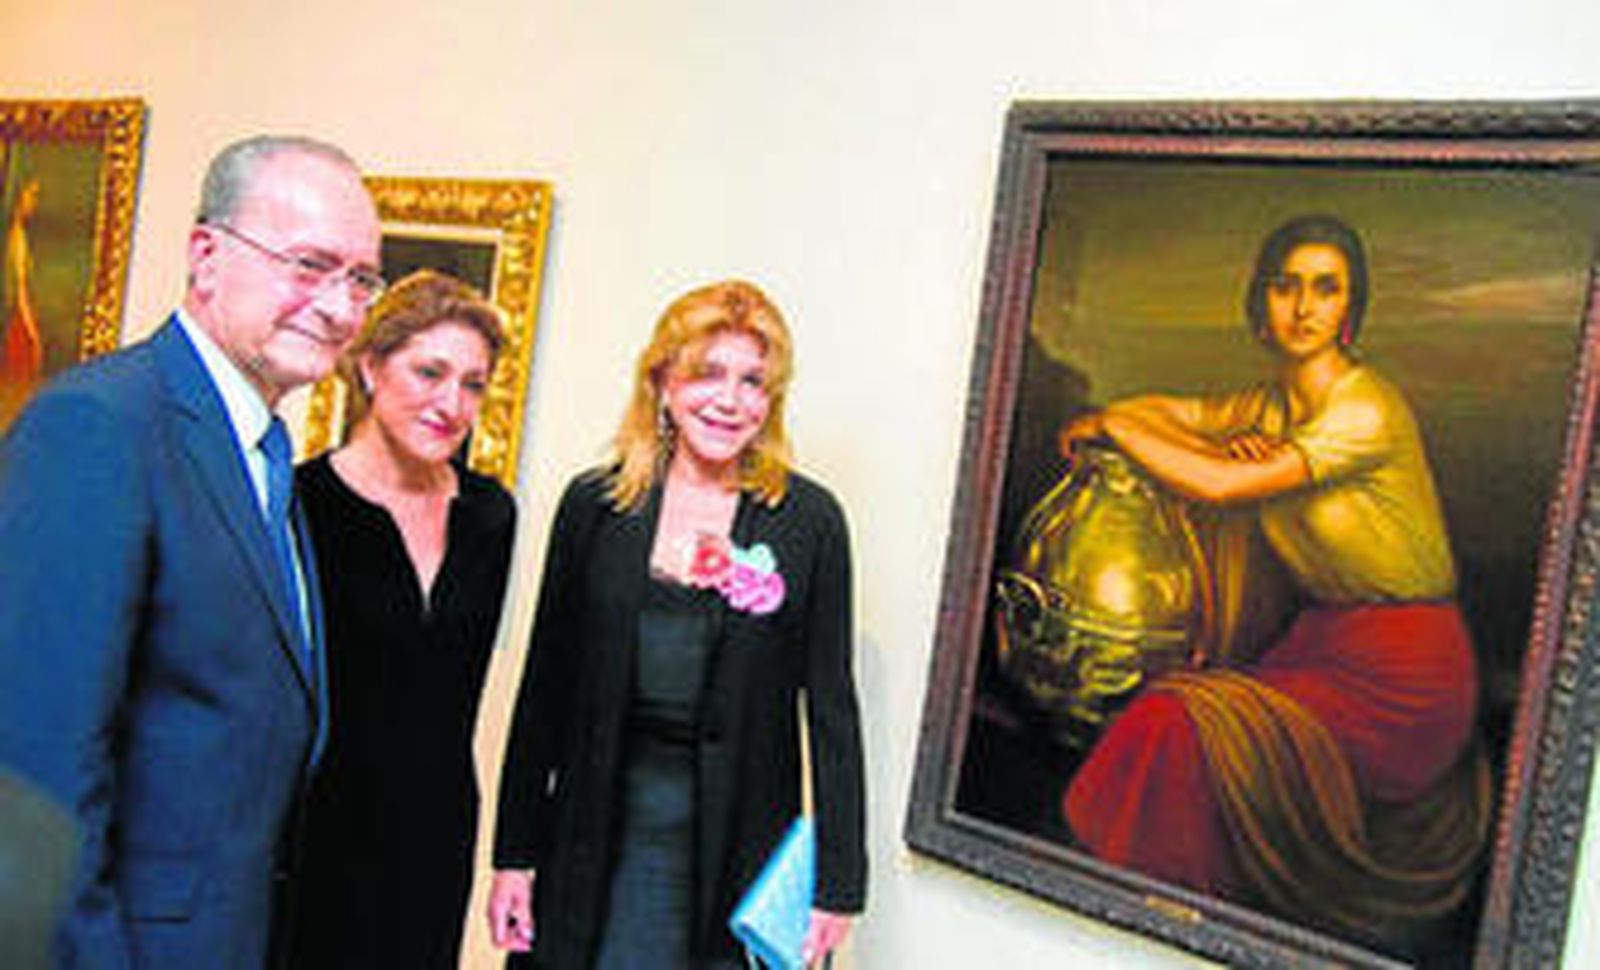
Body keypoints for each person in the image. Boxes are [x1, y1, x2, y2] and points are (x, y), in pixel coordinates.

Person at [0, 134, 382, 968]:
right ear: (206, 256)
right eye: (309, 265)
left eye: (360, 280)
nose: (340, 307)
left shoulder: (264, 453)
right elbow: (34, 783)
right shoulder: (99, 428)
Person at [1057, 215, 1490, 948]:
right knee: (1180, 718)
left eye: (1326, 288)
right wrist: (1127, 418)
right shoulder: (1267, 407)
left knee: (1173, 720)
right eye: (1286, 286)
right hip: (1319, 646)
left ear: (1350, 309)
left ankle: (1146, 922)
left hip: (1407, 679)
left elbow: (1224, 486)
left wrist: (1119, 430)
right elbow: (1174, 414)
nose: (1303, 306)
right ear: (1261, 302)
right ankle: (1128, 920)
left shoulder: (1364, 407)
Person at [488, 279, 867, 968]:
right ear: (662, 381)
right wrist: (514, 854)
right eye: (707, 374)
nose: (730, 400)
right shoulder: (595, 505)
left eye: (754, 382)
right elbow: (543, 688)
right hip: (593, 836)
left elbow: (834, 712)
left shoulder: (810, 522)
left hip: (736, 849)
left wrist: (839, 885)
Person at [286, 269, 516, 968]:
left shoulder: (490, 515)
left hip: (437, 831)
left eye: (473, 384)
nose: (452, 402)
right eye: (430, 372)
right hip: (313, 836)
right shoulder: (300, 504)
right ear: (369, 365)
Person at [2, 178, 45, 426]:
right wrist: (28, 321)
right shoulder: (17, 238)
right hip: (18, 311)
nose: (32, 203)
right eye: (30, 197)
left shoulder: (20, 234)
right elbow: (18, 285)